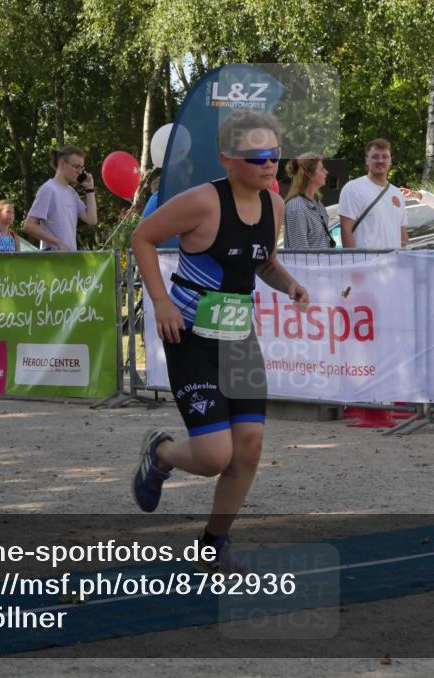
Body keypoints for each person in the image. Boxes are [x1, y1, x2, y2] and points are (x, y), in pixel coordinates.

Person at [130, 110, 309, 572]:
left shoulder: (275, 205)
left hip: (238, 335)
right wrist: (160, 301)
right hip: (188, 334)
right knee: (214, 456)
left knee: (248, 446)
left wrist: (288, 284)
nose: (270, 164)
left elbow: (262, 261)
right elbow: (143, 237)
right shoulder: (203, 202)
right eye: (258, 157)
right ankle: (161, 452)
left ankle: (213, 544)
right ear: (228, 159)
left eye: (275, 155)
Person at [23, 146, 98, 250]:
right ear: (62, 164)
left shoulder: (72, 192)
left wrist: (90, 189)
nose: (80, 172)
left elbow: (92, 220)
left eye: (81, 168)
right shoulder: (48, 189)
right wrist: (57, 241)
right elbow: (28, 226)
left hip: (68, 258)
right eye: (76, 167)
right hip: (53, 259)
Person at [338, 139, 408, 249]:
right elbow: (346, 230)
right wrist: (353, 262)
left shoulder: (397, 193)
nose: (380, 161)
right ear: (366, 160)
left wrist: (404, 260)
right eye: (375, 157)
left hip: (393, 264)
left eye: (385, 157)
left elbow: (402, 231)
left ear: (390, 161)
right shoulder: (353, 188)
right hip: (366, 264)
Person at [282, 153, 333, 249]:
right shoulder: (297, 206)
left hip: (322, 263)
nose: (326, 172)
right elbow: (300, 253)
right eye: (321, 169)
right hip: (310, 264)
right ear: (309, 174)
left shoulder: (317, 202)